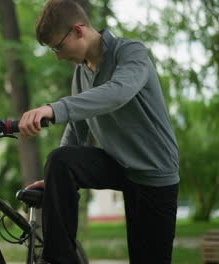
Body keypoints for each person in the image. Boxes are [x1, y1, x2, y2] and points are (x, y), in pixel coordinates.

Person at [18, 0, 180, 263]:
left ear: (78, 30)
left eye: (58, 47)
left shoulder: (131, 53)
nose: (58, 56)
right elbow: (76, 131)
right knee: (60, 160)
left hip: (154, 172)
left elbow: (117, 93)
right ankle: (59, 260)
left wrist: (54, 108)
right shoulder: (81, 73)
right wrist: (56, 179)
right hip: (119, 165)